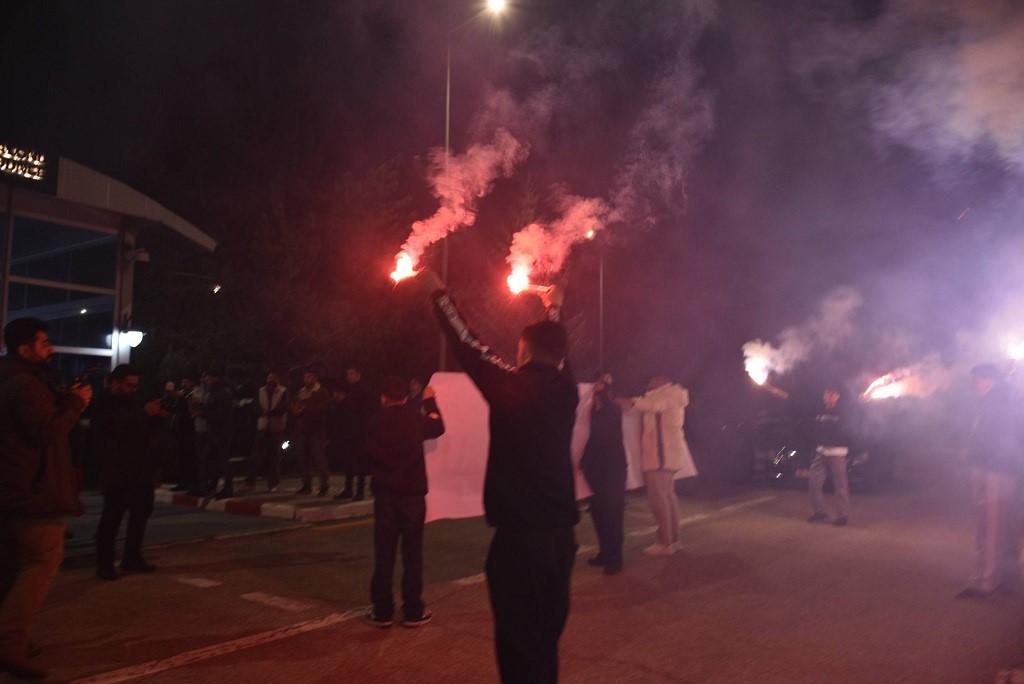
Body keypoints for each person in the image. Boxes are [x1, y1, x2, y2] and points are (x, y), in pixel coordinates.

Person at [421, 269, 578, 684]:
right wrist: (554, 306)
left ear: (522, 352)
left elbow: (469, 345)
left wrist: (439, 292)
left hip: (520, 542)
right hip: (562, 540)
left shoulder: (511, 387)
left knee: (519, 648)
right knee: (544, 642)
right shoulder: (567, 390)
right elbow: (555, 347)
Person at [0, 318, 92, 680]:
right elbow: (47, 430)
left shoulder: (10, 377)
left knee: (11, 568)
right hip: (29, 493)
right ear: (25, 349)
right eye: (44, 343)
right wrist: (75, 402)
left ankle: (11, 633)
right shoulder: (25, 384)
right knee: (42, 562)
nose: (50, 348)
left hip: (11, 490)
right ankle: (9, 642)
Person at [363, 376, 445, 628]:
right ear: (406, 399)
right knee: (412, 554)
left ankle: (383, 611)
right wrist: (430, 401)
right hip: (413, 497)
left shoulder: (374, 421)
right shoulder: (414, 418)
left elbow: (364, 449)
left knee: (384, 555)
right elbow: (438, 426)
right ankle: (412, 610)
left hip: (386, 496)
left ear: (383, 398)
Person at [91, 365, 165, 580]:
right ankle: (104, 564)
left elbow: (137, 429)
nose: (133, 389)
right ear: (115, 382)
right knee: (112, 518)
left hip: (139, 470)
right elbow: (115, 427)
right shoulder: (102, 403)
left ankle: (132, 557)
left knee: (140, 514)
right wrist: (144, 414)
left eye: (135, 386)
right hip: (117, 470)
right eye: (129, 385)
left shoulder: (129, 402)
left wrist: (156, 418)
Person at [957, 364, 1023, 599]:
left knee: (991, 527)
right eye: (975, 378)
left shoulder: (1000, 404)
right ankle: (1004, 579)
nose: (977, 383)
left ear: (994, 380)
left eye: (982, 379)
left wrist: (980, 455)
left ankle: (985, 582)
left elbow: (1006, 439)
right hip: (990, 468)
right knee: (994, 526)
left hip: (995, 470)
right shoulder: (991, 402)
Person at [617, 376, 695, 557]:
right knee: (669, 498)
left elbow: (651, 405)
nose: (648, 382)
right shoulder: (675, 395)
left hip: (659, 458)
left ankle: (664, 543)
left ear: (661, 381)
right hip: (669, 457)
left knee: (658, 500)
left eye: (652, 380)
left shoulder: (665, 396)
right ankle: (675, 540)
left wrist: (619, 401)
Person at [580, 372, 627, 575]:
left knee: (613, 516)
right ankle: (605, 553)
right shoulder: (594, 411)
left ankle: (615, 559)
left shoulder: (612, 409)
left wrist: (605, 389)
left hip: (613, 470)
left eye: (600, 386)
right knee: (599, 514)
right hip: (596, 471)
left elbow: (604, 439)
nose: (596, 389)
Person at [806, 388, 851, 527]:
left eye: (832, 394)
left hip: (838, 453)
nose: (828, 396)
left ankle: (842, 516)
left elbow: (851, 429)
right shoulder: (819, 411)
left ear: (837, 396)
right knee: (814, 482)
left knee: (840, 486)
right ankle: (820, 512)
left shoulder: (844, 411)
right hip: (821, 452)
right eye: (826, 394)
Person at [241, 372, 289, 493]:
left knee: (274, 458)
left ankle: (273, 484)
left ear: (278, 379)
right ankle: (249, 483)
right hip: (262, 428)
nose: (270, 380)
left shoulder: (283, 391)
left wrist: (269, 413)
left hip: (276, 428)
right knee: (255, 457)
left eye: (273, 378)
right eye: (269, 377)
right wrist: (261, 412)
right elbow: (256, 406)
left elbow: (284, 408)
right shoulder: (261, 391)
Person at [336, 367, 376, 501]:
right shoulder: (348, 390)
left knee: (361, 462)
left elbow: (365, 411)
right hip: (349, 431)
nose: (349, 376)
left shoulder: (363, 391)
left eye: (352, 373)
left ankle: (360, 491)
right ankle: (348, 489)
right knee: (348, 461)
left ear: (359, 375)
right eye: (347, 373)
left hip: (360, 432)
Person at [195, 368, 235, 499]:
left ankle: (228, 488)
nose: (205, 380)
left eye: (207, 377)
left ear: (214, 377)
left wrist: (203, 413)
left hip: (221, 432)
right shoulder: (214, 391)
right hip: (213, 431)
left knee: (222, 460)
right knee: (209, 459)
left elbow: (221, 414)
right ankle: (209, 486)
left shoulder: (223, 392)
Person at [291, 370, 331, 496]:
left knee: (319, 458)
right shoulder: (302, 392)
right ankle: (306, 485)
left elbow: (323, 408)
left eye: (309, 377)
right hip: (303, 429)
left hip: (317, 430)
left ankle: (324, 486)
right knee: (303, 459)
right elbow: (296, 407)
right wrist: (296, 411)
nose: (306, 379)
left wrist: (305, 409)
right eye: (305, 377)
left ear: (315, 378)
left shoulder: (321, 391)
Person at [169, 377, 197, 492]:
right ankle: (183, 481)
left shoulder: (194, 394)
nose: (184, 384)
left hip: (189, 430)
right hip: (179, 429)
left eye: (186, 381)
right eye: (182, 382)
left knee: (188, 457)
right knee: (180, 456)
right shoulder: (181, 395)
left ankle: (190, 482)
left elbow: (191, 407)